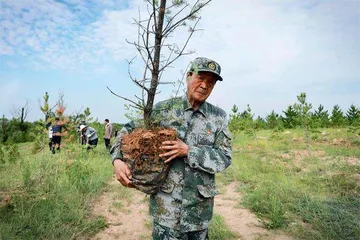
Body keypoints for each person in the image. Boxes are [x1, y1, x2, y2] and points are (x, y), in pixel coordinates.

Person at [110, 57, 232, 239]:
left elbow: (224, 158)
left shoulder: (218, 118)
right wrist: (117, 160)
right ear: (188, 76)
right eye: (201, 78)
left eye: (211, 82)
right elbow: (127, 130)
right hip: (165, 209)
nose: (205, 85)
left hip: (198, 213)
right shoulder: (163, 110)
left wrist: (189, 151)